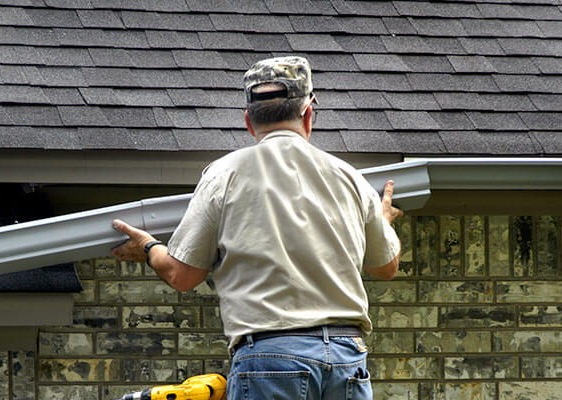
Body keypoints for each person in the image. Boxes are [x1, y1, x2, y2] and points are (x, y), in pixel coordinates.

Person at [111, 56, 403, 400]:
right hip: (345, 358)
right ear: (308, 113)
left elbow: (182, 276)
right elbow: (386, 267)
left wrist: (148, 247)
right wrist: (383, 223)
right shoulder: (348, 177)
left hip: (271, 358)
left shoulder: (225, 174)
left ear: (249, 122)